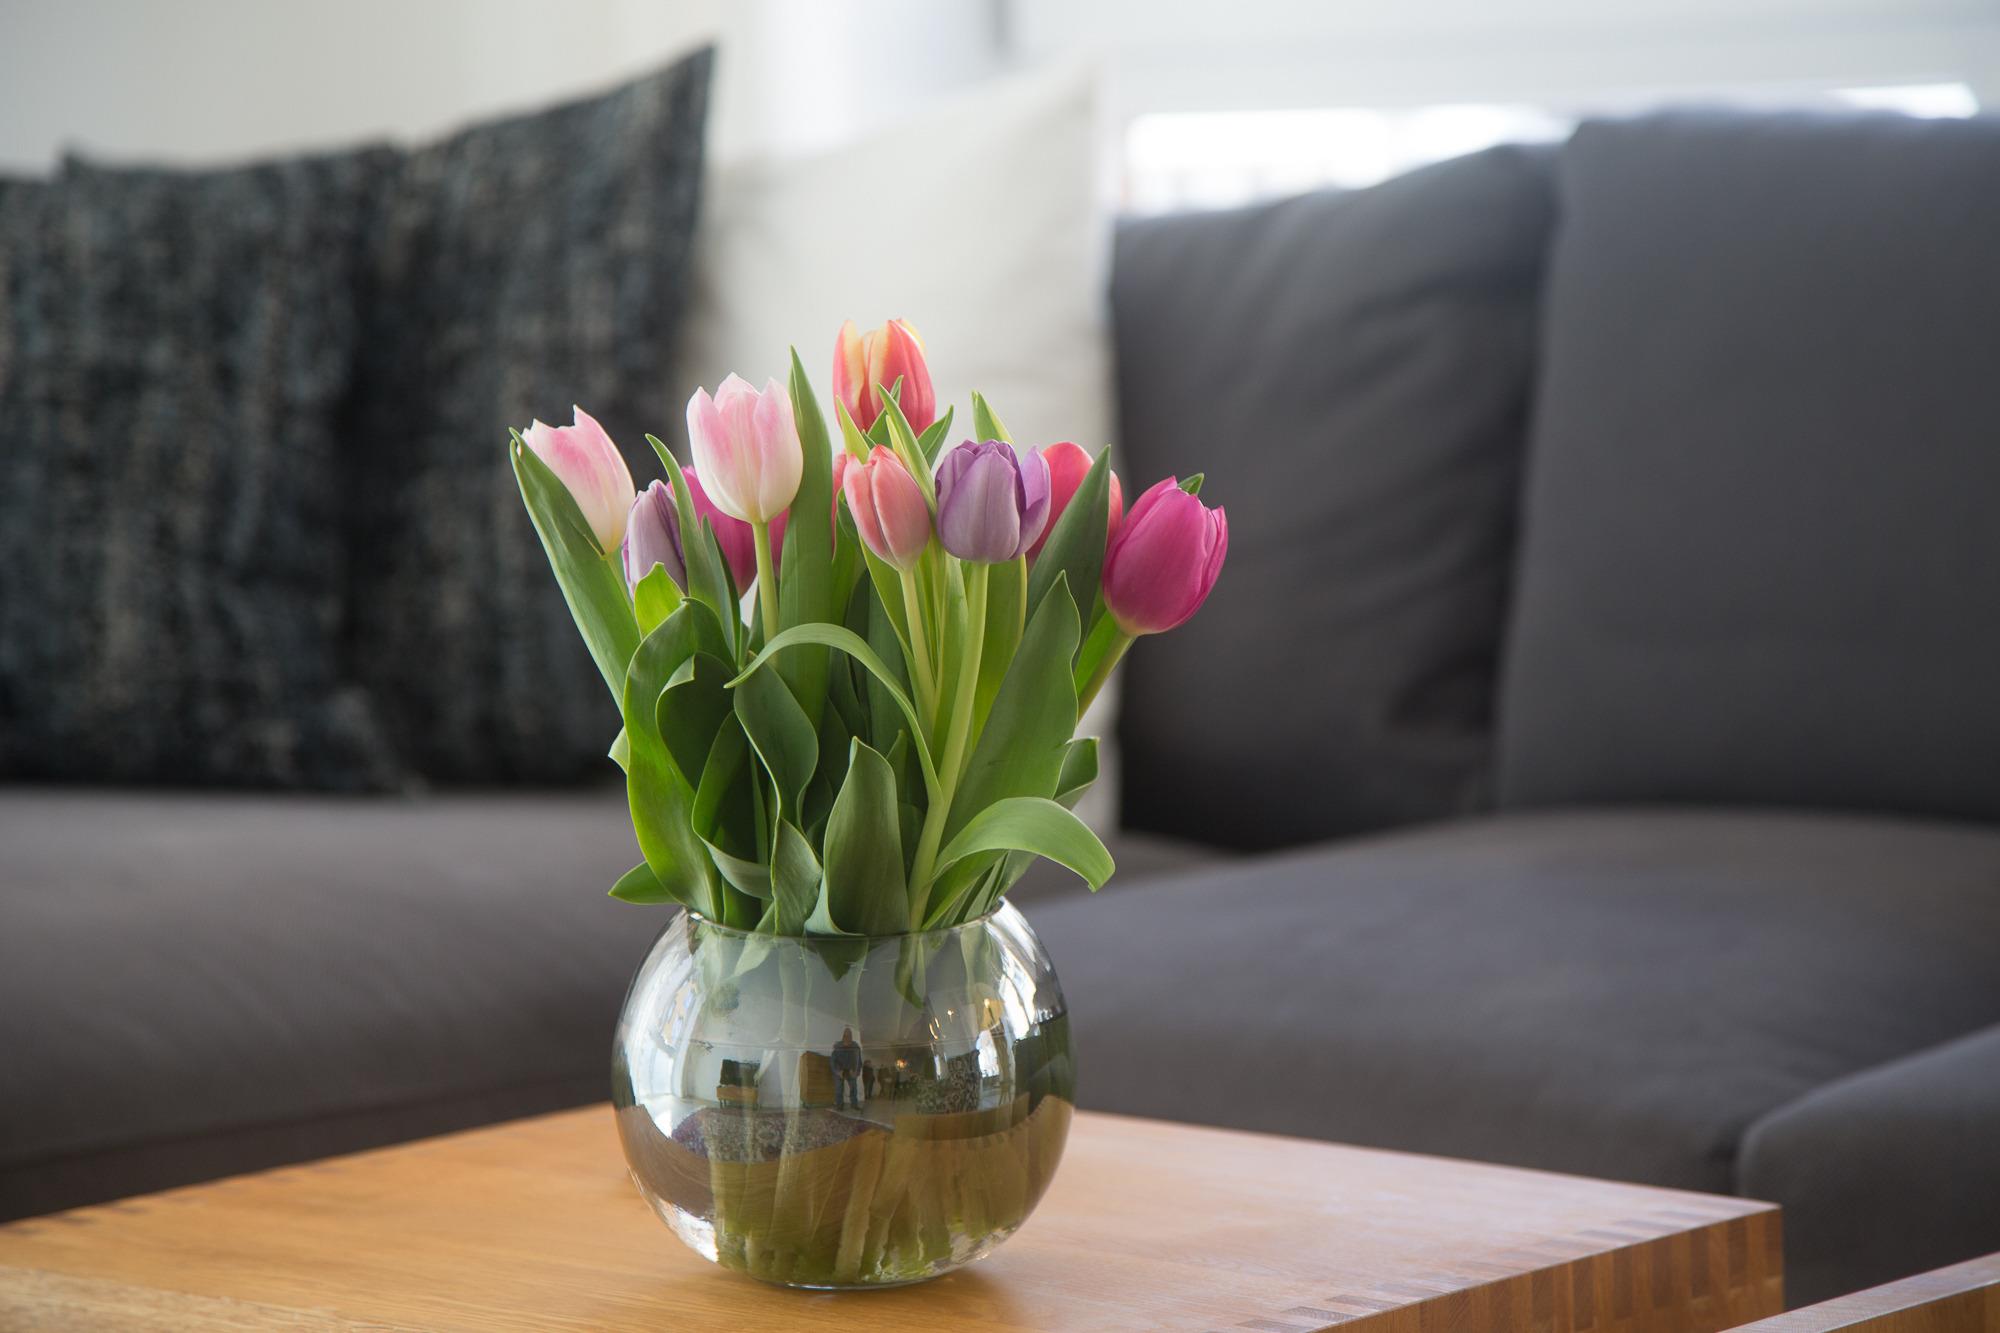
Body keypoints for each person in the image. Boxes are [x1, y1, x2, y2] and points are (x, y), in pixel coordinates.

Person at [830, 1027, 863, 1111]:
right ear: (843, 1036)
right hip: (839, 1070)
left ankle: (854, 1105)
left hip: (851, 1070)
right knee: (839, 1089)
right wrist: (838, 1071)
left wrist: (856, 1072)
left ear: (851, 1036)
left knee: (853, 1088)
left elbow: (859, 1061)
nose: (847, 1037)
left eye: (849, 1035)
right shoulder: (837, 1047)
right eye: (846, 1035)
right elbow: (833, 1061)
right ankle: (839, 1106)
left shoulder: (855, 1047)